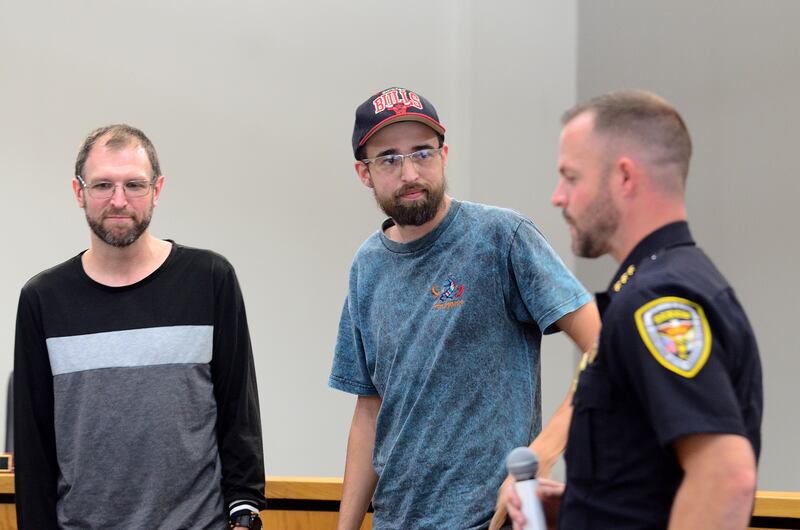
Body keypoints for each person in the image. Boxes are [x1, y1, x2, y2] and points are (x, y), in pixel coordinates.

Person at [328, 87, 600, 530]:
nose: (410, 172)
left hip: (490, 521)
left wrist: (543, 452)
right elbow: (370, 409)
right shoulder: (367, 266)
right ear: (365, 173)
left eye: (423, 153)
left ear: (444, 155)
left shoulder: (502, 237)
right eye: (389, 159)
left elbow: (605, 348)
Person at [505, 90, 763, 529]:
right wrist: (584, 507)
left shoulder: (657, 300)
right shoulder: (673, 281)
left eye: (571, 177)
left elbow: (725, 475)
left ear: (624, 177)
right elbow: (656, 479)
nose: (557, 197)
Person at [13, 124, 266, 530]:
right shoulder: (43, 299)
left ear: (157, 190)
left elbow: (239, 413)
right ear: (79, 192)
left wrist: (244, 510)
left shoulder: (209, 279)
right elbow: (33, 445)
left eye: (134, 184)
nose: (119, 200)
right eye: (102, 185)